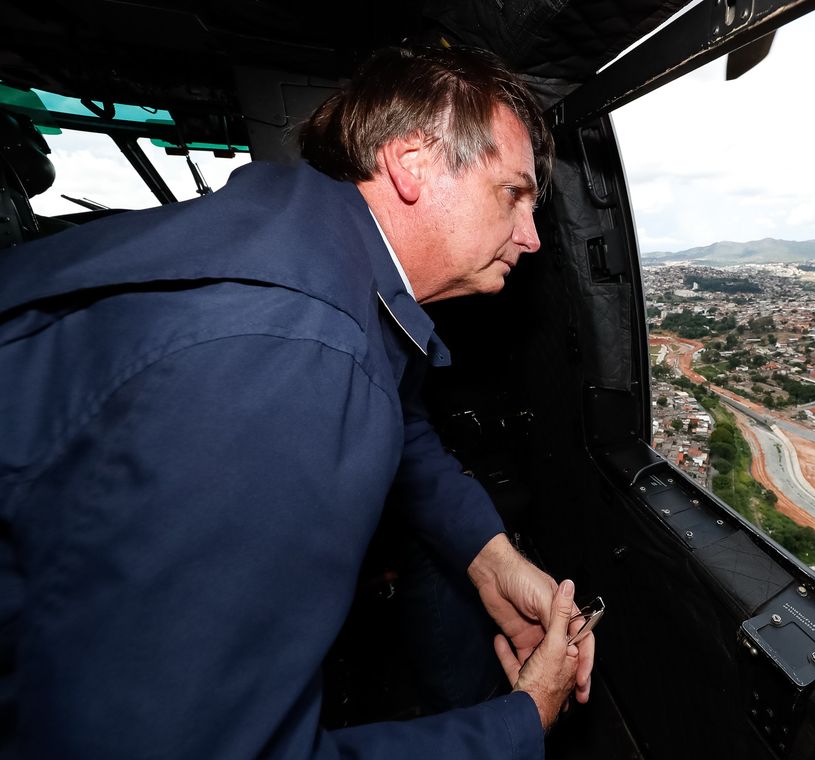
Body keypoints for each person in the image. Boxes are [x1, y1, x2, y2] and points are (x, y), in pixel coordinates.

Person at [0, 46, 593, 758]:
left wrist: (485, 553)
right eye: (513, 194)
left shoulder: (308, 249)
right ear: (414, 163)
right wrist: (522, 720)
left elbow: (398, 422)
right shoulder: (293, 355)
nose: (530, 237)